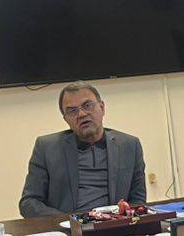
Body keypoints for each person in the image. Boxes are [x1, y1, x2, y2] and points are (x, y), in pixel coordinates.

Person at [19, 82, 147, 217]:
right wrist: (69, 221)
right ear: (66, 119)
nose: (81, 114)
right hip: (69, 226)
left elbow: (137, 201)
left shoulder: (130, 145)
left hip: (115, 224)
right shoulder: (47, 148)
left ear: (102, 108)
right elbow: (29, 203)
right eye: (72, 111)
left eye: (87, 105)